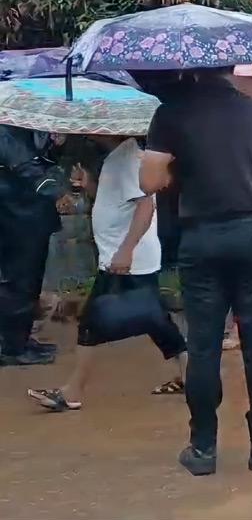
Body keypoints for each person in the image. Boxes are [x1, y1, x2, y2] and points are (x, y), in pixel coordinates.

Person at [140, 68, 252, 476]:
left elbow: (149, 180)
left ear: (190, 69)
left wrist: (185, 169)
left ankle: (203, 448)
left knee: (205, 347)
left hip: (201, 238)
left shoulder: (170, 113)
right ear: (231, 70)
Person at [28, 136, 187, 411]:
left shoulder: (127, 160)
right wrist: (90, 185)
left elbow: (145, 205)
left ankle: (71, 392)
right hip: (122, 257)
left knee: (91, 323)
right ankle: (191, 375)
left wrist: (126, 250)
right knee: (157, 321)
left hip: (125, 260)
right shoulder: (118, 158)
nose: (88, 132)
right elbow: (117, 201)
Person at [0, 126, 73, 366]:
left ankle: (20, 338)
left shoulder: (28, 125)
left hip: (30, 213)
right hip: (16, 213)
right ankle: (13, 347)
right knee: (19, 279)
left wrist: (55, 144)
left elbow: (41, 161)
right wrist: (56, 192)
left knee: (29, 279)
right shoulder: (5, 127)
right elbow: (25, 166)